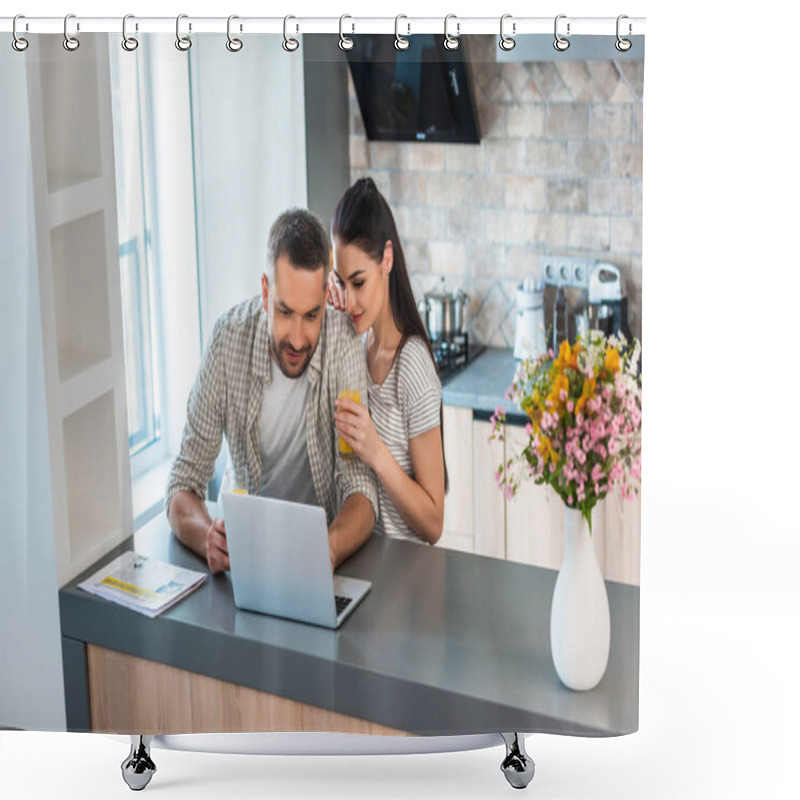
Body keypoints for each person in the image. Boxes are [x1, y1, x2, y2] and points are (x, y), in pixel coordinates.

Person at [166, 208, 378, 574]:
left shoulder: (341, 342)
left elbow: (360, 486)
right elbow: (182, 483)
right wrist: (207, 539)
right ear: (266, 292)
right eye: (285, 312)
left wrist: (329, 549)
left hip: (316, 556)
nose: (297, 338)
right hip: (244, 561)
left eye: (312, 315)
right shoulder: (227, 339)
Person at [328, 177, 446, 545]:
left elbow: (433, 523)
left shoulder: (411, 366)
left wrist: (375, 451)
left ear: (387, 259)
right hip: (362, 563)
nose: (349, 301)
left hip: (406, 579)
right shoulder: (355, 344)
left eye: (358, 283)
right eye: (340, 283)